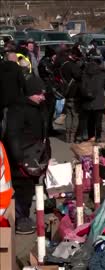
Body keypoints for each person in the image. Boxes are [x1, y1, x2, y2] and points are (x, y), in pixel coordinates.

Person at [4, 76, 51, 234]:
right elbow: (13, 135)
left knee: (29, 188)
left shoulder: (38, 107)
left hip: (35, 156)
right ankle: (20, 219)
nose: (43, 97)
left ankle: (22, 216)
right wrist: (18, 158)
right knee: (22, 190)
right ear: (31, 93)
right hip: (22, 157)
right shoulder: (17, 110)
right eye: (40, 94)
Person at [78, 58, 105, 142]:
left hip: (86, 102)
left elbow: (81, 88)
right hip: (98, 102)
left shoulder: (84, 74)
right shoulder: (103, 75)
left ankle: (89, 136)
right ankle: (98, 137)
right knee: (98, 121)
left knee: (88, 121)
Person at [59, 47, 83, 143]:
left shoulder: (63, 65)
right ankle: (72, 136)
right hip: (74, 93)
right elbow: (79, 76)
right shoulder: (73, 66)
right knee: (75, 115)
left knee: (68, 115)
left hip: (66, 92)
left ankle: (67, 135)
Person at [0, 52, 26, 136]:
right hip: (13, 98)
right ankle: (9, 135)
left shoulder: (1, 66)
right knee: (11, 118)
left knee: (2, 118)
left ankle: (2, 134)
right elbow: (22, 83)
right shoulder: (17, 68)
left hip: (2, 96)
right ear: (14, 59)